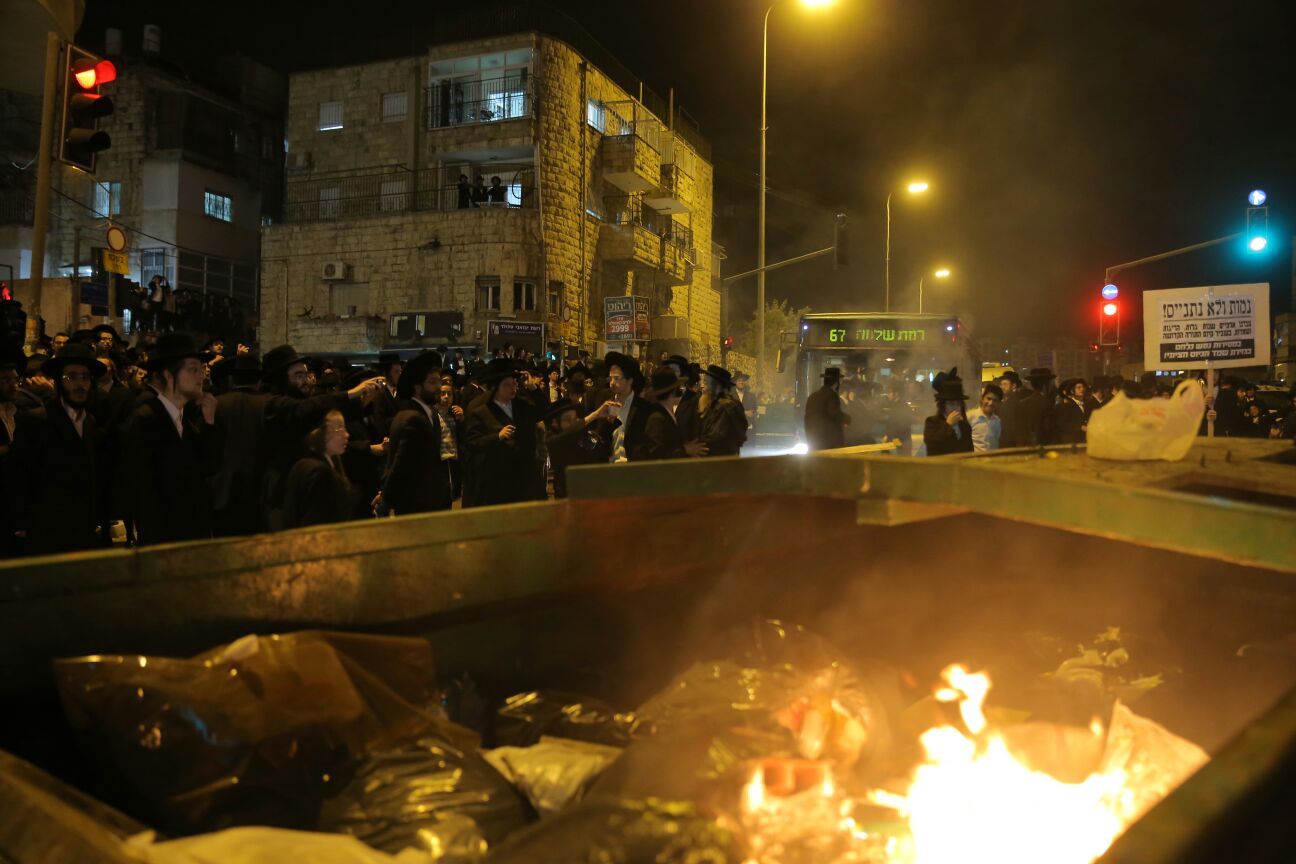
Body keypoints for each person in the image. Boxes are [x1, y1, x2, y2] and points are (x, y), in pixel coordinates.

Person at [120, 333, 223, 546]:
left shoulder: (183, 421)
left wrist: (210, 421)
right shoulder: (146, 419)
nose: (201, 377)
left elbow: (208, 467)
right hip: (166, 545)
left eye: (201, 370)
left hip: (189, 540)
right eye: (193, 370)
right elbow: (143, 493)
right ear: (169, 375)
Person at [7, 344, 106, 554]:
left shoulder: (90, 422)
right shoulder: (37, 420)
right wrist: (22, 525)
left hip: (83, 532)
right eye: (71, 377)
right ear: (59, 381)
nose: (80, 384)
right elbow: (19, 476)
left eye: (85, 377)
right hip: (46, 532)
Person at [380, 351, 454, 515]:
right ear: (417, 387)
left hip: (429, 504)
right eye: (432, 382)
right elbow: (400, 465)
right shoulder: (413, 418)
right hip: (417, 507)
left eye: (439, 382)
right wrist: (386, 499)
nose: (439, 388)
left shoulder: (428, 414)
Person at [462, 357, 543, 506]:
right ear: (495, 387)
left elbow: (543, 413)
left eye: (514, 384)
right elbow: (472, 441)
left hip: (524, 479)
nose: (513, 388)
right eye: (507, 385)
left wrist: (534, 389)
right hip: (497, 481)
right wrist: (497, 437)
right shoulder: (481, 411)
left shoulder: (523, 406)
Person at [283, 410, 361, 527]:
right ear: (320, 433)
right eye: (339, 428)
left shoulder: (301, 464)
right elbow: (317, 525)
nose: (346, 434)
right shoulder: (320, 474)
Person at [544, 397, 617, 498]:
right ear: (555, 423)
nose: (574, 423)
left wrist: (609, 421)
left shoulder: (581, 437)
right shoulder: (552, 439)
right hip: (568, 496)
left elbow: (596, 448)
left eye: (575, 419)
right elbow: (565, 436)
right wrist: (595, 415)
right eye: (568, 420)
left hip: (590, 494)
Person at [636, 370, 697, 461]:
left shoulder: (664, 414)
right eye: (679, 389)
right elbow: (656, 455)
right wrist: (685, 450)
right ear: (673, 392)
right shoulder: (657, 419)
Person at [698, 364, 748, 457]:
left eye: (706, 383)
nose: (702, 386)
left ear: (717, 385)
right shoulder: (715, 404)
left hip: (721, 462)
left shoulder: (725, 407)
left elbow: (715, 437)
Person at [923, 367, 973, 456]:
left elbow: (970, 452)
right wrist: (948, 425)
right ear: (943, 405)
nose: (955, 408)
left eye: (958, 404)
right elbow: (932, 447)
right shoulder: (932, 422)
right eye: (951, 404)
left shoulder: (965, 426)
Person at [804, 367, 850, 451]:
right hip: (828, 442)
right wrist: (847, 419)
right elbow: (834, 413)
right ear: (836, 383)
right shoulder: (831, 395)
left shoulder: (813, 396)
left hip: (813, 440)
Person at [1015, 367, 1055, 446]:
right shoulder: (1048, 404)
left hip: (1026, 447)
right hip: (1044, 448)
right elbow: (1050, 430)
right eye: (1050, 383)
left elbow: (1020, 432)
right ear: (1045, 386)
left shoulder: (1022, 404)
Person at [965, 384, 1003, 453]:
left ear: (999, 403)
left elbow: (996, 444)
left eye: (995, 400)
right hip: (974, 461)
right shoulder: (970, 416)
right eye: (988, 398)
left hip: (991, 462)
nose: (991, 403)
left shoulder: (997, 421)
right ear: (982, 399)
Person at [1051, 379, 1090, 445]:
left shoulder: (1087, 404)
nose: (1082, 389)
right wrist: (1080, 427)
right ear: (1072, 391)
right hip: (1072, 441)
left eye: (1083, 387)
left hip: (1086, 440)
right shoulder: (1066, 405)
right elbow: (1063, 424)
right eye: (1079, 387)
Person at [996, 371, 1027, 448]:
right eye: (1001, 384)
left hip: (1014, 443)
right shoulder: (1001, 402)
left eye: (1005, 384)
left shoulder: (1019, 402)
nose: (1002, 387)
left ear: (1013, 386)